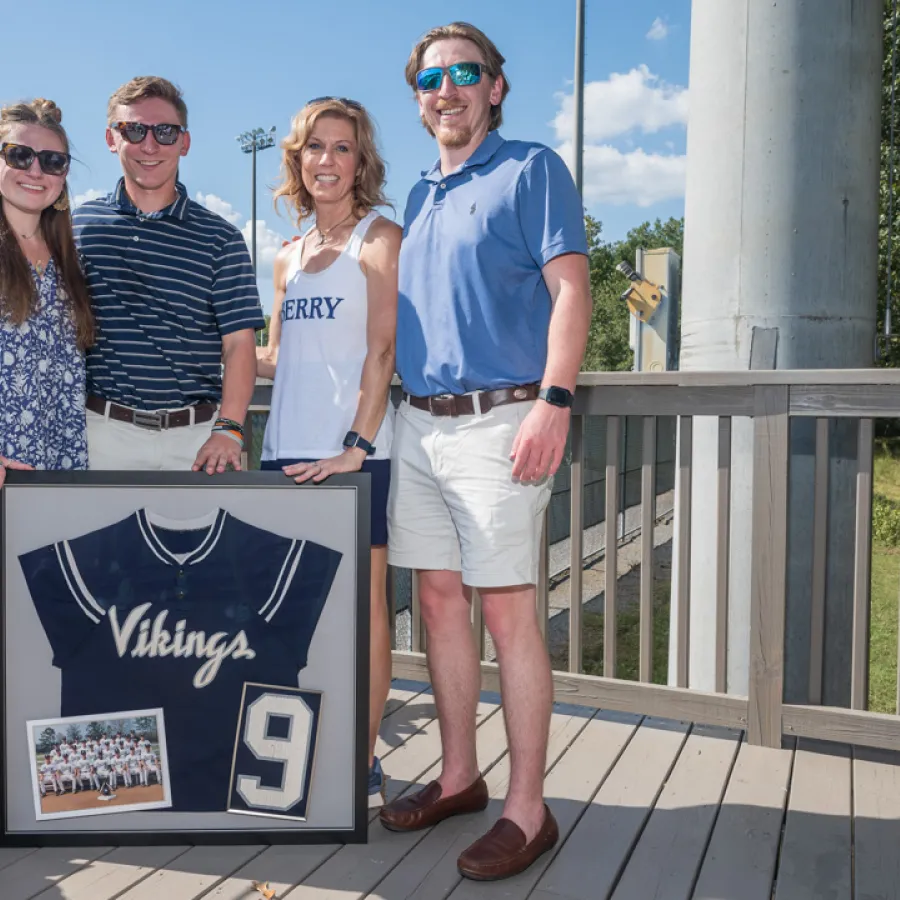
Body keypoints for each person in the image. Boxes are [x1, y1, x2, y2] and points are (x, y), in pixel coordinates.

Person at [380, 23, 592, 881]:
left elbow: (571, 287)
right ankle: (462, 775)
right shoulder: (420, 196)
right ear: (420, 97)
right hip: (418, 424)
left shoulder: (530, 168)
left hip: (503, 420)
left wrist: (553, 399)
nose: (448, 89)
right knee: (436, 601)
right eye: (432, 79)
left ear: (495, 87)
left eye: (465, 73)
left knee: (507, 612)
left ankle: (528, 809)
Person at [256, 97, 400, 808]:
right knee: (286, 617)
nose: (327, 160)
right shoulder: (286, 256)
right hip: (283, 454)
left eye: (342, 148)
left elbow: (383, 348)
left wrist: (357, 444)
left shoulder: (380, 238)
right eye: (316, 147)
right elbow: (278, 357)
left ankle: (361, 758)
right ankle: (288, 755)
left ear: (360, 160)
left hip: (353, 458)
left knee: (364, 613)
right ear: (297, 159)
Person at [73, 76, 264, 473]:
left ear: (184, 142)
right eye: (134, 129)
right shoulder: (79, 227)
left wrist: (228, 429)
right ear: (112, 138)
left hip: (198, 441)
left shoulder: (221, 238)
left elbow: (239, 345)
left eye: (165, 131)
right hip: (101, 436)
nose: (149, 144)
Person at [0, 99, 93, 489]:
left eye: (53, 161)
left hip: (59, 468)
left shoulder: (70, 262)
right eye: (19, 155)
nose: (35, 171)